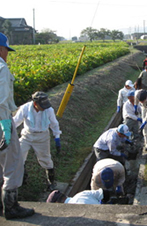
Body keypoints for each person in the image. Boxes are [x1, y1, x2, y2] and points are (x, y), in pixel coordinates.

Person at [0, 32, 35, 220]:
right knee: (12, 164)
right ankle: (11, 207)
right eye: (6, 50)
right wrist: (6, 125)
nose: (7, 54)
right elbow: (2, 99)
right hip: (2, 120)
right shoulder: (1, 68)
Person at [13, 91, 61, 191]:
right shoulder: (25, 108)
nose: (44, 108)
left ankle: (51, 182)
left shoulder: (49, 110)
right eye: (42, 106)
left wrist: (57, 137)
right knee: (19, 156)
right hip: (27, 135)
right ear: (35, 103)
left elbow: (54, 124)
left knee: (46, 159)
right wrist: (7, 132)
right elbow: (16, 122)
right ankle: (22, 178)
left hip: (42, 137)